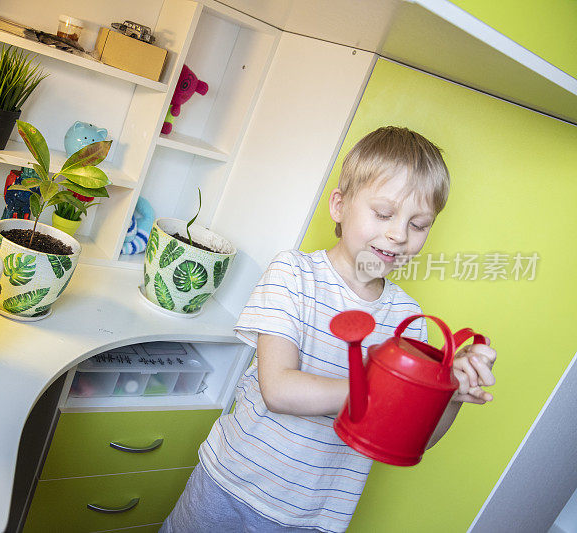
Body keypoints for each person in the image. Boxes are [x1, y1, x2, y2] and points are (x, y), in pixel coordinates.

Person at [161, 126, 498, 533]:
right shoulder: (293, 274)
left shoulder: (409, 317)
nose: (398, 235)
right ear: (339, 205)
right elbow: (279, 390)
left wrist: (452, 396)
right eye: (384, 214)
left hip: (313, 520)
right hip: (230, 488)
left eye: (419, 224)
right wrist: (379, 395)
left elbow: (414, 440)